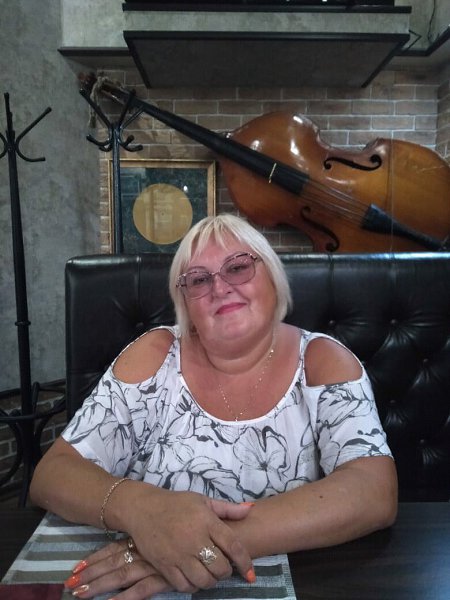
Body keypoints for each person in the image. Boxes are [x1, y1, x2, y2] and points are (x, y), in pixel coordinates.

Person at [30, 213, 398, 600]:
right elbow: (52, 475)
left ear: (274, 278)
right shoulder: (155, 356)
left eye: (238, 267)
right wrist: (142, 510)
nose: (220, 288)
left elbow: (373, 491)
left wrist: (192, 544)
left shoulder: (323, 360)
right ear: (185, 305)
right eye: (199, 280)